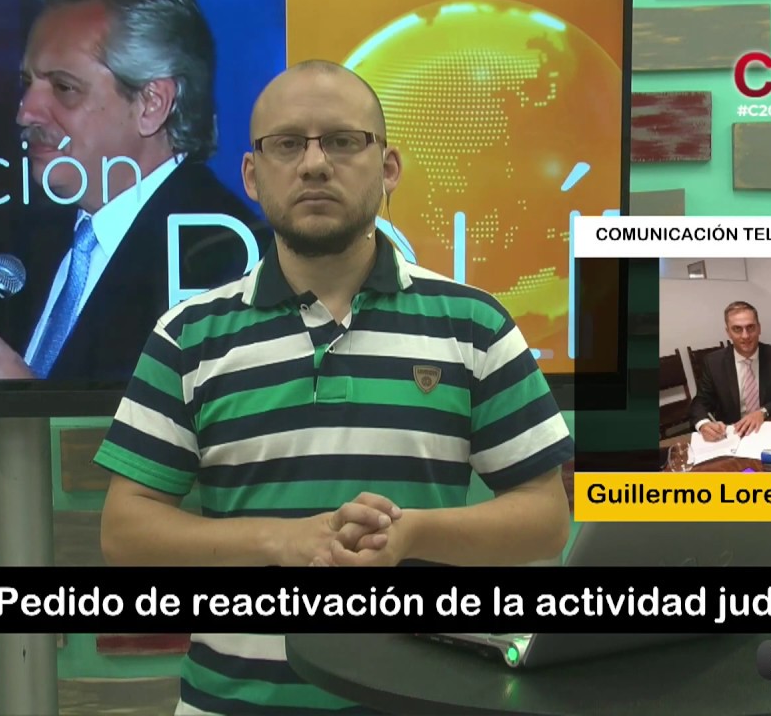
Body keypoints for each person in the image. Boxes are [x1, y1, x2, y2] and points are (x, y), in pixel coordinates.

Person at [93, 60, 575, 715]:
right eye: (288, 144)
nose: (315, 164)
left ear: (388, 167)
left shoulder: (474, 323)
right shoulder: (189, 335)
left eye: (343, 141)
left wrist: (411, 537)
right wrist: (282, 542)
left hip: (422, 702)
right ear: (252, 175)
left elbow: (545, 521)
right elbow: (125, 533)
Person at [0, 0, 264, 383]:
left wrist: (27, 403)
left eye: (64, 87)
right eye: (27, 83)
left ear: (151, 104)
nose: (25, 112)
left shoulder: (227, 256)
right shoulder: (25, 242)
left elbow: (224, 420)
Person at [689, 301, 771, 441]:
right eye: (737, 329)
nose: (745, 336)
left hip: (767, 429)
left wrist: (763, 412)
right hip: (730, 434)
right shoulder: (713, 362)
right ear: (728, 332)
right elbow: (700, 402)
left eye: (750, 327)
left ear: (759, 328)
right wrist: (703, 424)